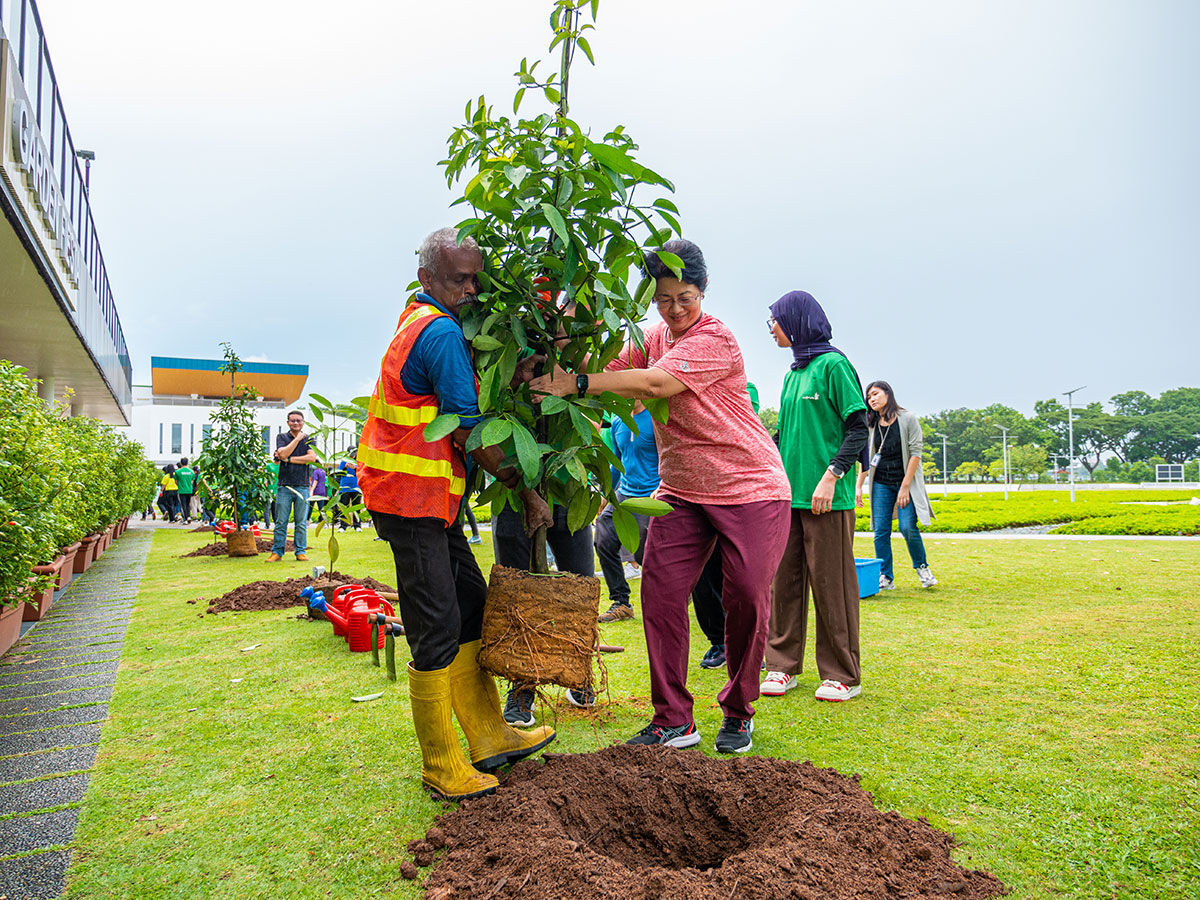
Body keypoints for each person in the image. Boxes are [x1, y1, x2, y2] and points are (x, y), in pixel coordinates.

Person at [529, 239, 791, 755]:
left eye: (685, 298)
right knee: (661, 594)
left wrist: (572, 383)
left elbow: (649, 385)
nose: (674, 310)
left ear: (704, 291)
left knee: (746, 600)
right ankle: (673, 719)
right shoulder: (652, 336)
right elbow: (604, 364)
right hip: (682, 492)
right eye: (664, 299)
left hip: (750, 488)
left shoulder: (716, 339)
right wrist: (569, 314)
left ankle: (738, 711)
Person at [358, 227, 555, 801]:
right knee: (435, 625)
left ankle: (490, 736)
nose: (471, 289)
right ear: (427, 278)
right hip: (410, 501)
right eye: (458, 279)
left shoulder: (420, 318)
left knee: (470, 604)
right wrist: (525, 487)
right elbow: (469, 430)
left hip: (426, 502)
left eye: (476, 278)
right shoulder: (440, 330)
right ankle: (441, 763)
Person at [761, 290, 869, 703]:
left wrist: (832, 475)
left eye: (775, 321)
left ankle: (843, 674)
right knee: (782, 584)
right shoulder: (792, 375)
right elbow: (784, 436)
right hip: (788, 498)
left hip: (828, 498)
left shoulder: (834, 366)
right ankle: (782, 666)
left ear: (797, 320)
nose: (771, 329)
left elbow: (858, 428)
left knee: (832, 586)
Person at [856, 381, 937, 589]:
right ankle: (886, 576)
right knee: (880, 531)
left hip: (905, 483)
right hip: (881, 483)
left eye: (875, 394)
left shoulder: (908, 419)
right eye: (869, 397)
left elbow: (916, 454)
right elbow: (866, 459)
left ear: (887, 393)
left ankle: (922, 568)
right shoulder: (871, 424)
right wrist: (859, 487)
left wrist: (904, 487)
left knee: (907, 526)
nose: (872, 399)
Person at [594, 403, 657, 623]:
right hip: (624, 493)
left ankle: (668, 596)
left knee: (642, 551)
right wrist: (606, 492)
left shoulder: (655, 418)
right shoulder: (618, 420)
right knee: (603, 537)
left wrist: (663, 487)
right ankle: (621, 602)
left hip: (651, 495)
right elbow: (617, 462)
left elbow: (669, 456)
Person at [267, 410, 316, 563]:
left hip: (302, 486)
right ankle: (277, 552)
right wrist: (297, 440)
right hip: (284, 486)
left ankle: (300, 551)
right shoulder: (282, 437)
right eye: (293, 421)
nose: (296, 423)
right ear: (288, 422)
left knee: (301, 522)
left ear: (303, 422)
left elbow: (311, 458)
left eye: (299, 420)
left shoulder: (309, 439)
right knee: (281, 521)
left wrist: (289, 459)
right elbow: (281, 454)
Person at [335, 458, 361, 530]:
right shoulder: (343, 462)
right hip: (344, 488)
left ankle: (357, 525)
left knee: (356, 507)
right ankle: (343, 526)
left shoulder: (357, 462)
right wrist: (345, 467)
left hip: (355, 487)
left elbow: (361, 472)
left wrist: (354, 467)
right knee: (344, 508)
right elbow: (339, 473)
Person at [175, 458, 196, 524]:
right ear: (188, 463)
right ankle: (189, 516)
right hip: (189, 490)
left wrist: (181, 485)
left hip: (181, 490)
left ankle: (185, 519)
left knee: (183, 505)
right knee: (187, 504)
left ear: (181, 463)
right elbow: (192, 482)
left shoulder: (177, 472)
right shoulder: (191, 472)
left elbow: (176, 481)